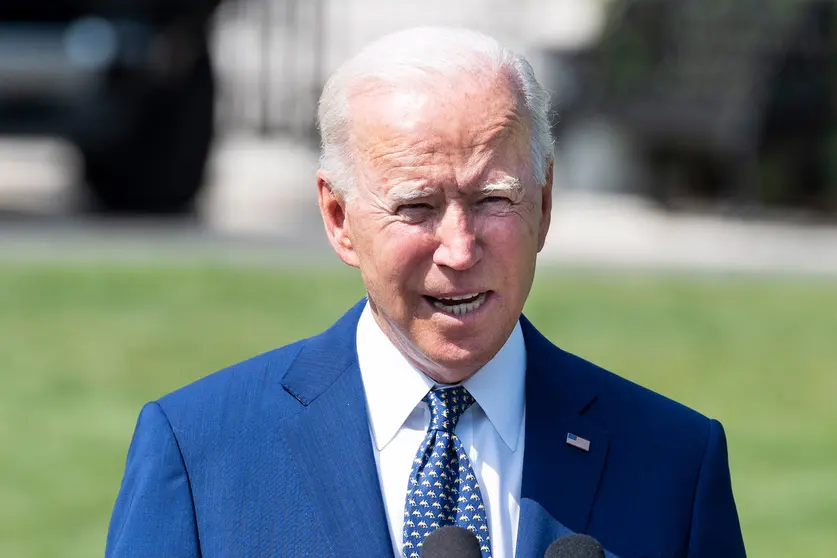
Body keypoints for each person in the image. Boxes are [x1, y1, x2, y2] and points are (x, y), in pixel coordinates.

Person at [105, 27, 746, 558]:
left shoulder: (673, 462)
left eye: (494, 200)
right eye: (416, 206)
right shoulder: (201, 453)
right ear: (338, 218)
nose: (460, 250)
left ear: (544, 205)